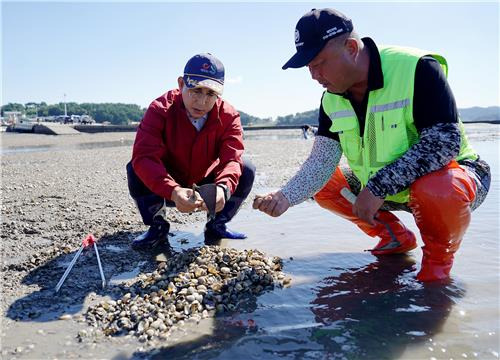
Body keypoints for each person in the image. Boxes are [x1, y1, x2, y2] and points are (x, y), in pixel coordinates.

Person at [253, 9, 491, 282]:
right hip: (387, 192)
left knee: (438, 189)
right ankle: (395, 237)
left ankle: (436, 273)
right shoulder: (331, 99)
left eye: (319, 63)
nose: (314, 75)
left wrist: (379, 186)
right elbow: (321, 162)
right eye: (308, 67)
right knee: (326, 184)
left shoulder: (417, 68)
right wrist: (285, 197)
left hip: (456, 179)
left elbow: (444, 143)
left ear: (352, 47)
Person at [127, 53, 255, 250]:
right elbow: (144, 156)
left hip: (207, 185)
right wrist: (173, 190)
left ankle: (217, 225)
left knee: (246, 167)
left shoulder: (229, 115)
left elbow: (232, 158)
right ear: (181, 84)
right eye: (195, 90)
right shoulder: (159, 109)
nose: (202, 102)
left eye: (211, 94)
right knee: (136, 167)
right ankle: (157, 227)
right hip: (168, 183)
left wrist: (223, 188)